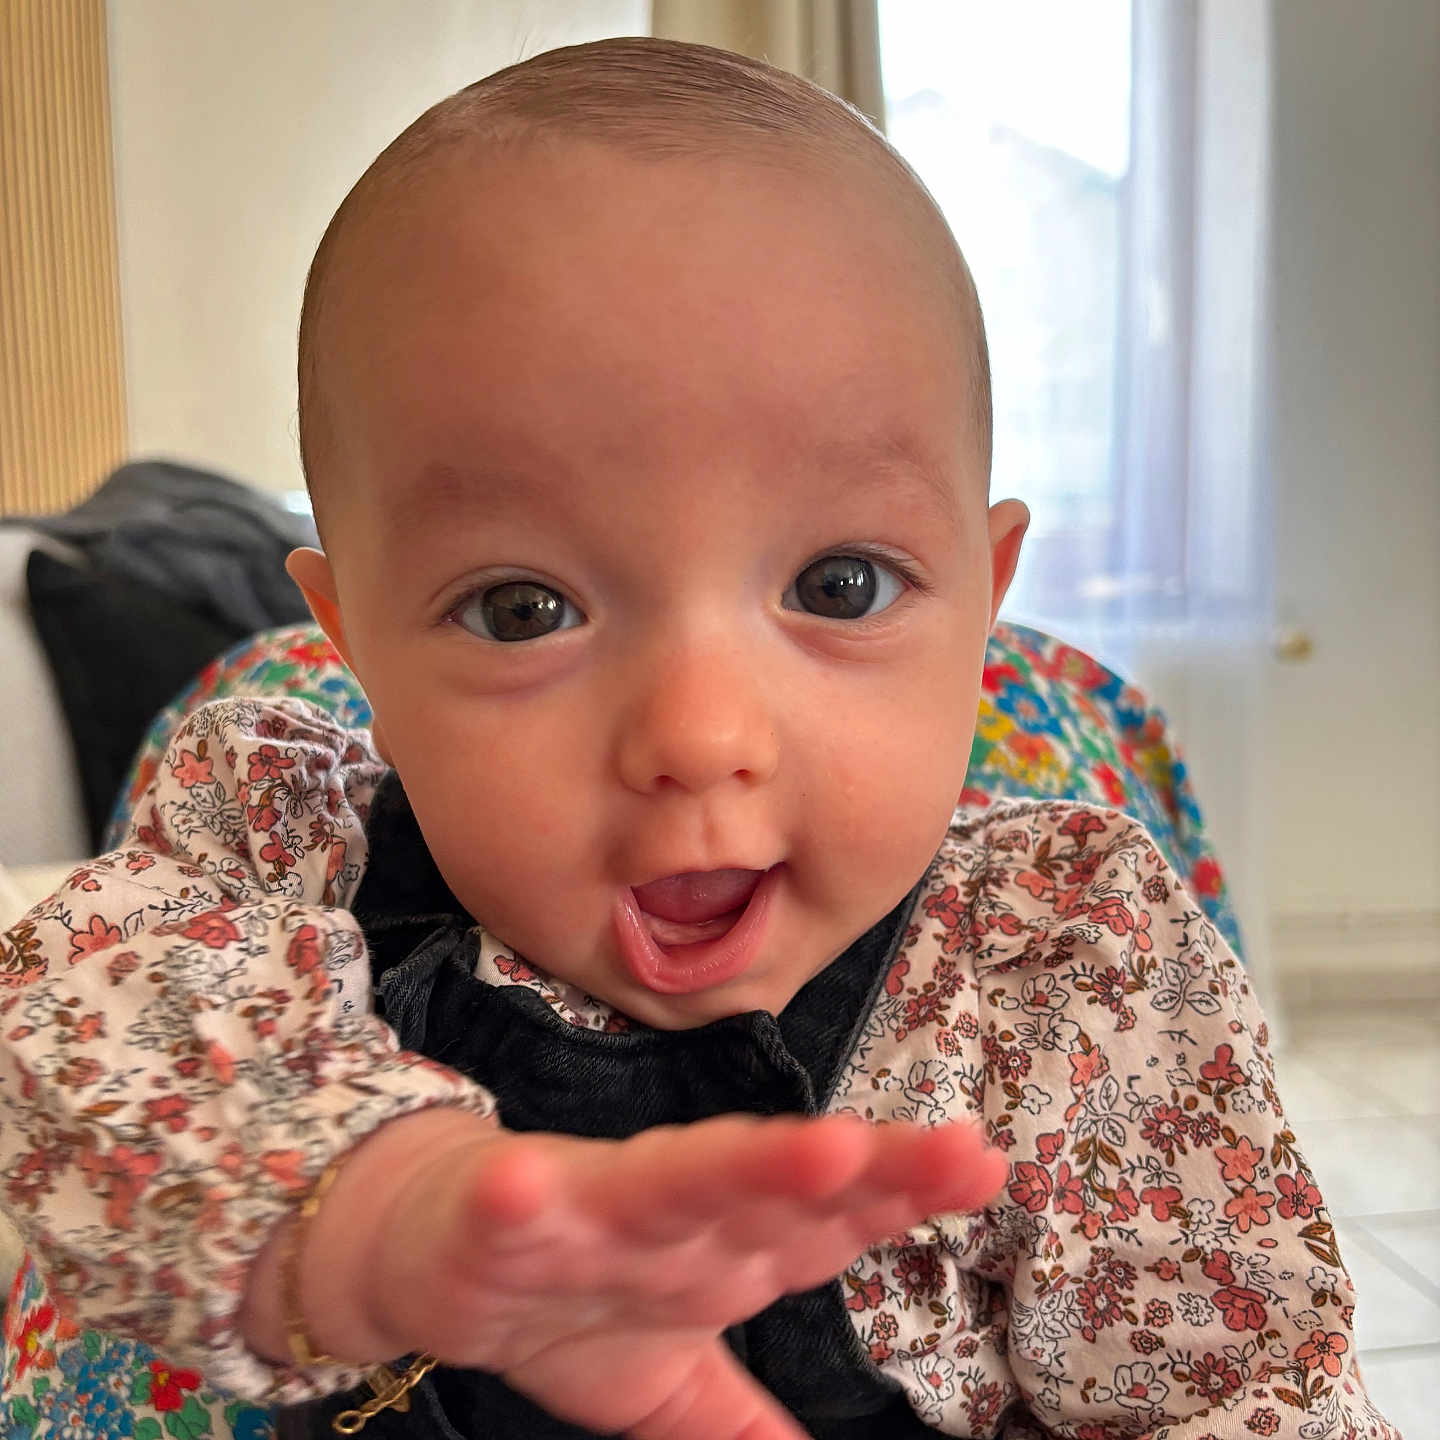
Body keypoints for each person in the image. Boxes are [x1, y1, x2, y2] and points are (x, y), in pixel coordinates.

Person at [0, 37, 1397, 1440]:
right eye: (523, 608)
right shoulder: (282, 856)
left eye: (839, 586)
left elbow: (1246, 1391)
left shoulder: (1062, 973)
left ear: (984, 604)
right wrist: (386, 1216)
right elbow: (79, 1046)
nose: (698, 735)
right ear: (352, 639)